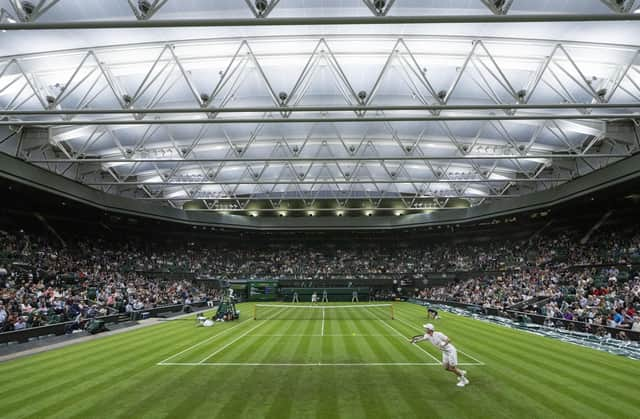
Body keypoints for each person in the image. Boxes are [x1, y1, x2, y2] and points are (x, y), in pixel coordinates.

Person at [411, 323, 469, 387]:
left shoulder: (439, 334)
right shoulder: (427, 335)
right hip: (445, 352)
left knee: (452, 368)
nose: (425, 329)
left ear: (430, 329)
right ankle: (461, 372)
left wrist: (443, 345)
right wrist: (414, 341)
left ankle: (464, 380)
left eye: (426, 328)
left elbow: (449, 340)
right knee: (446, 368)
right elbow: (422, 339)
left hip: (451, 351)